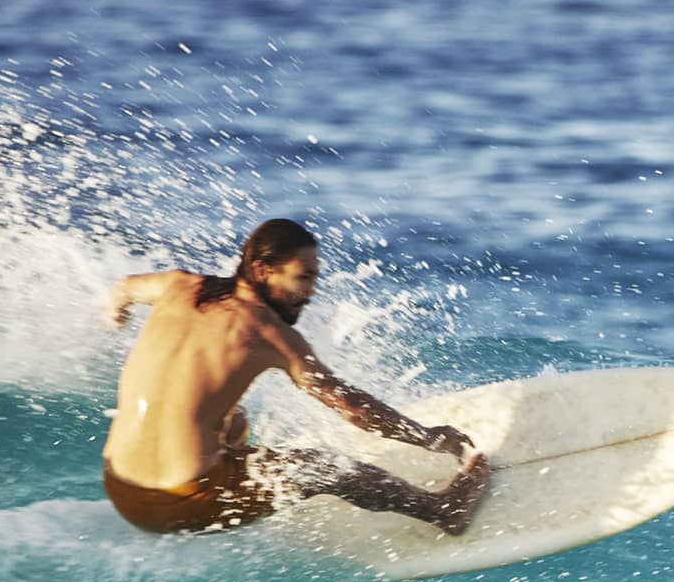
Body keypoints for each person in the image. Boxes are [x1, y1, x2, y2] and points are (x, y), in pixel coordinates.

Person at [102, 218, 490, 536]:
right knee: (321, 467)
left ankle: (223, 464)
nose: (310, 292)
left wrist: (117, 313)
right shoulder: (269, 333)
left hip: (120, 490)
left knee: (232, 418)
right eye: (303, 278)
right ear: (262, 270)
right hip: (182, 503)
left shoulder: (177, 285)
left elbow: (124, 288)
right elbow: (354, 409)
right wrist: (428, 437)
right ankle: (443, 510)